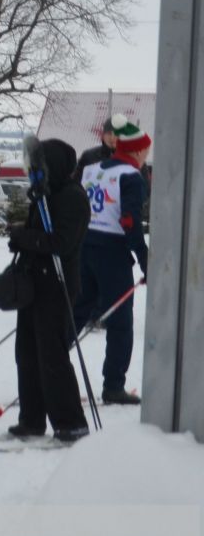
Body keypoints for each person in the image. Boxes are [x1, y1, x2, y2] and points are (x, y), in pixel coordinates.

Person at [5, 138, 91, 443]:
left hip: (57, 286)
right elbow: (39, 233)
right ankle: (32, 419)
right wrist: (21, 235)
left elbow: (61, 243)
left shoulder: (72, 197)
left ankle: (71, 423)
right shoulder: (44, 194)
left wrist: (24, 237)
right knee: (26, 354)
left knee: (52, 356)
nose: (34, 172)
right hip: (34, 284)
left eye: (39, 166)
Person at [73, 115, 151, 405]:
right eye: (145, 151)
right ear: (137, 151)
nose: (146, 157)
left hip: (86, 247)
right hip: (112, 252)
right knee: (120, 322)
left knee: (78, 310)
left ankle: (48, 366)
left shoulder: (92, 169)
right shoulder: (131, 176)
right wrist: (145, 260)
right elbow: (129, 221)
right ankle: (113, 386)